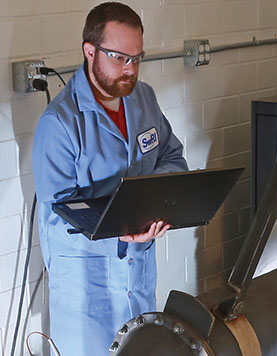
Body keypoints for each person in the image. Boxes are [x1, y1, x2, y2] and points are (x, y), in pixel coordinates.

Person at [32, 2, 188, 354]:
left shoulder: (143, 99)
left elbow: (172, 157)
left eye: (136, 58)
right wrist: (121, 223)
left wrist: (155, 202)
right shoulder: (59, 123)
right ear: (90, 51)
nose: (129, 69)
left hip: (138, 271)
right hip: (89, 287)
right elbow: (61, 207)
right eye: (119, 57)